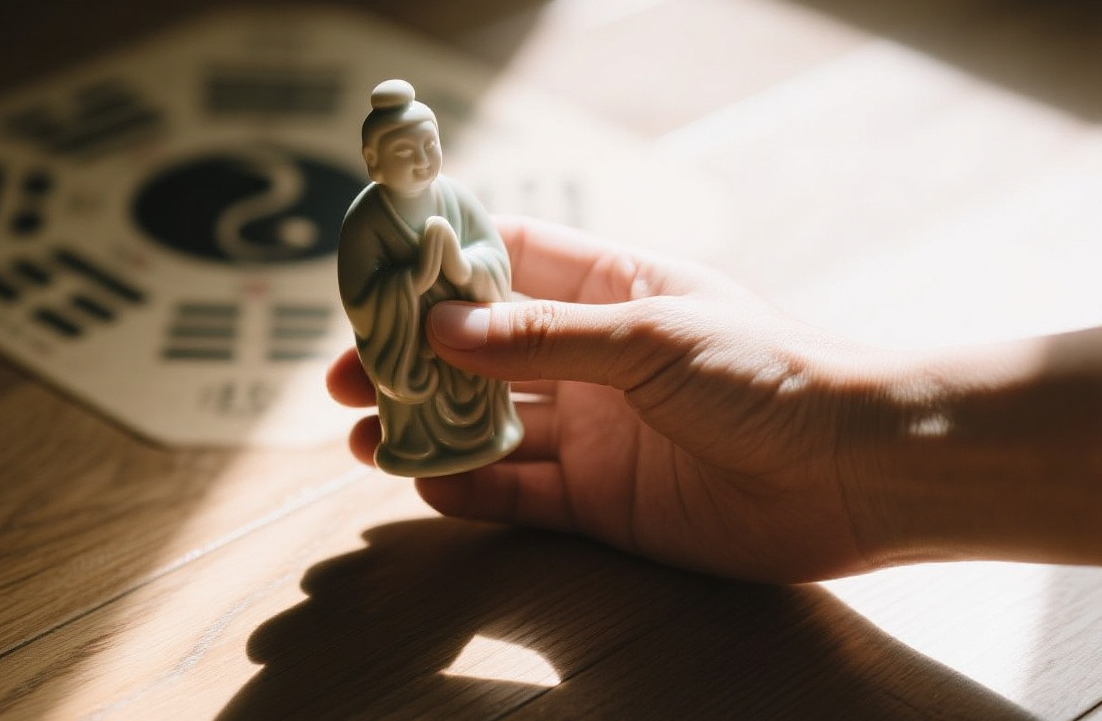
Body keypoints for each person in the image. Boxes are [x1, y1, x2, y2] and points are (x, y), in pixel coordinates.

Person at [328, 216, 1102, 583]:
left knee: (462, 388)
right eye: (398, 151)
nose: (414, 160)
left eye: (420, 148)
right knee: (420, 385)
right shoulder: (375, 221)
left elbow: (478, 266)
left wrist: (844, 443)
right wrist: (845, 450)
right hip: (428, 372)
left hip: (464, 381)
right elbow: (371, 292)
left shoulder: (447, 208)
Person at [336, 80, 523, 477]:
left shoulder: (457, 197)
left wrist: (463, 267)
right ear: (373, 160)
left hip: (468, 340)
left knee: (479, 376)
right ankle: (413, 446)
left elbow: (494, 255)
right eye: (405, 152)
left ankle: (492, 432)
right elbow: (359, 295)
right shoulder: (366, 219)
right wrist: (413, 281)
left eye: (430, 146)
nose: (422, 161)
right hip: (413, 349)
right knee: (416, 405)